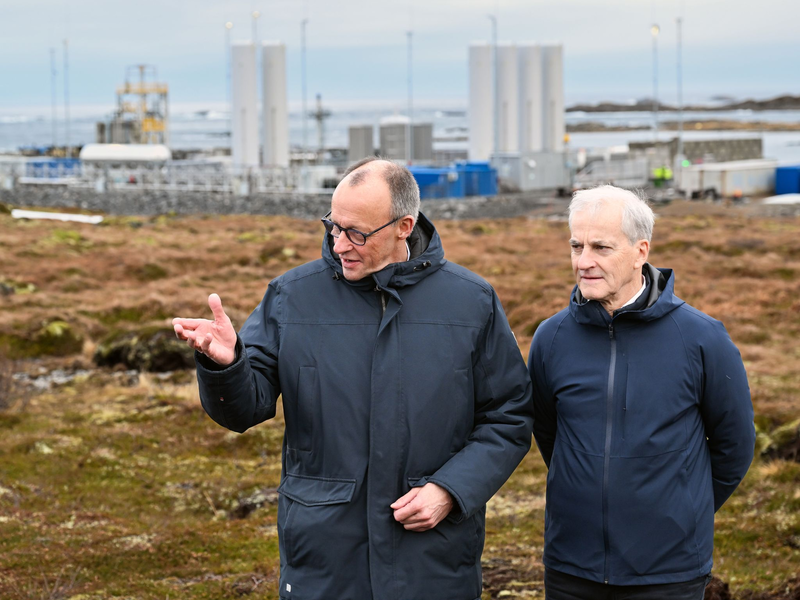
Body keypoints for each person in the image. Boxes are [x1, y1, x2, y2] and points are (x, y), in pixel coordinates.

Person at [173, 157, 533, 600]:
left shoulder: (471, 302)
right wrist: (227, 364)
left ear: (404, 226)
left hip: (432, 562)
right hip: (324, 562)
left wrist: (451, 490)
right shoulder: (291, 297)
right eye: (333, 226)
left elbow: (509, 417)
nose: (340, 244)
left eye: (357, 233)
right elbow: (244, 409)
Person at [527, 185, 755, 599]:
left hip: (668, 571)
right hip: (571, 566)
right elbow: (549, 436)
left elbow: (734, 446)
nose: (584, 262)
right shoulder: (550, 338)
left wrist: (680, 511)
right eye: (576, 246)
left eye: (601, 247)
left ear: (640, 251)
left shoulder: (702, 339)